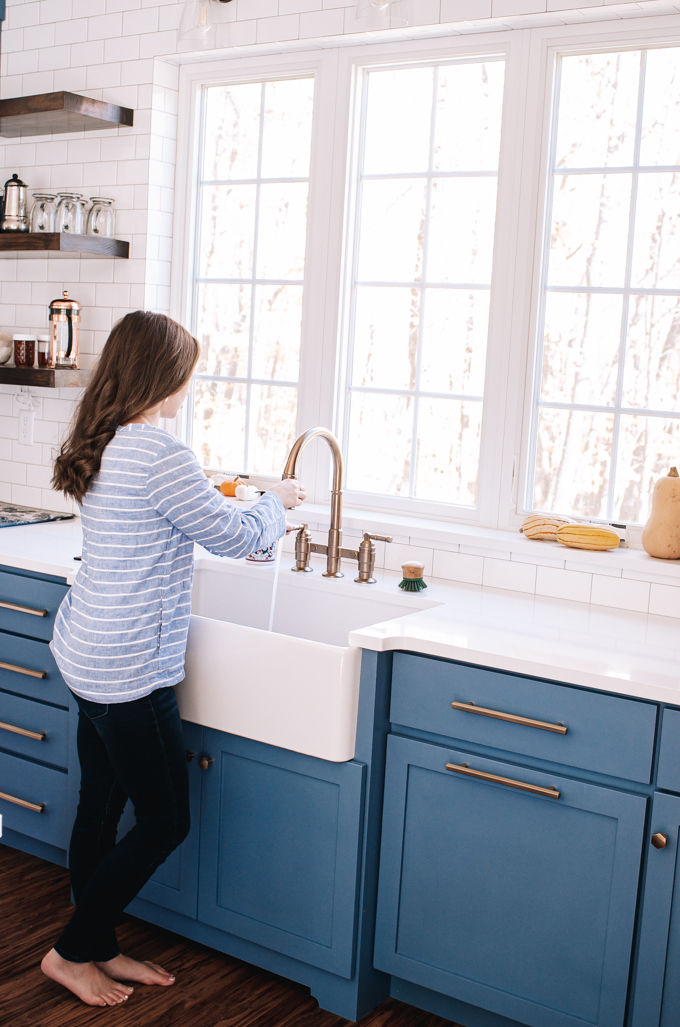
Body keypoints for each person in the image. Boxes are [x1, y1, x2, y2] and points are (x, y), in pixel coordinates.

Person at [40, 310, 305, 1007]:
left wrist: (246, 503)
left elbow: (178, 517)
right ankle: (71, 951)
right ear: (164, 375)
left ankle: (95, 944)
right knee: (166, 820)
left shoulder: (103, 439)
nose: (191, 381)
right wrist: (275, 504)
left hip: (87, 654)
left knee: (100, 805)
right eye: (187, 369)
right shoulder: (161, 453)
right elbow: (229, 535)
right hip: (129, 669)